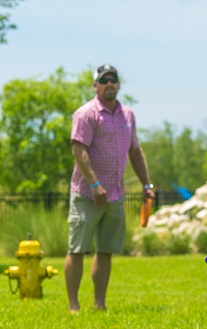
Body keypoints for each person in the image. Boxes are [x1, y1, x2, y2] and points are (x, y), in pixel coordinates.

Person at [65, 64, 154, 313]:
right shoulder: (86, 114)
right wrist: (94, 184)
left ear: (118, 84)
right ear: (95, 86)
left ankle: (99, 304)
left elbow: (135, 151)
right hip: (87, 194)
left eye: (113, 80)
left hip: (115, 195)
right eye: (104, 81)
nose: (109, 84)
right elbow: (78, 150)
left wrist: (147, 184)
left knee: (105, 251)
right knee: (77, 249)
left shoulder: (128, 116)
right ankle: (73, 305)